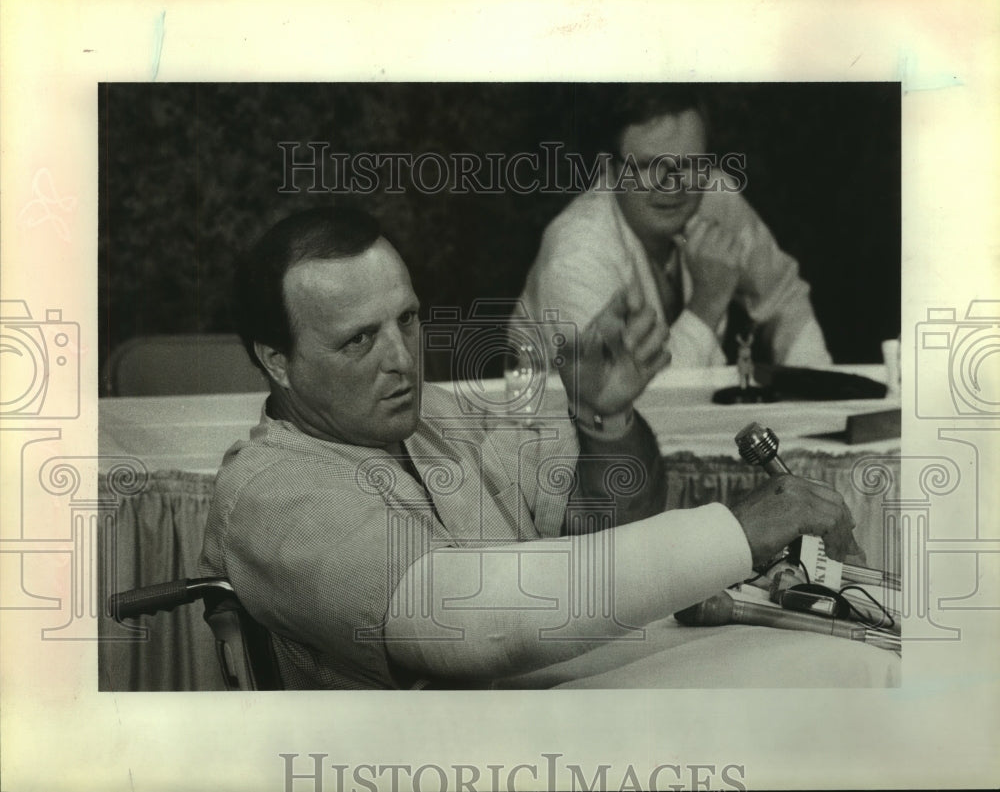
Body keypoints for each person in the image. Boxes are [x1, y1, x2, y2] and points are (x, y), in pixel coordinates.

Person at [200, 207, 871, 691]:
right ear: (277, 363)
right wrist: (736, 528)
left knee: (849, 663)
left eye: (406, 319)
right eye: (358, 340)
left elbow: (598, 540)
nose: (402, 359)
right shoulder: (270, 492)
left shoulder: (437, 417)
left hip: (533, 715)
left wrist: (603, 420)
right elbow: (474, 627)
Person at [518, 85, 833, 370]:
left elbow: (784, 296)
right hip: (561, 428)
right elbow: (626, 407)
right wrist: (707, 303)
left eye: (690, 164)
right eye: (649, 166)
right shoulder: (575, 256)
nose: (672, 185)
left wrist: (817, 388)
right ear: (609, 170)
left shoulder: (714, 197)